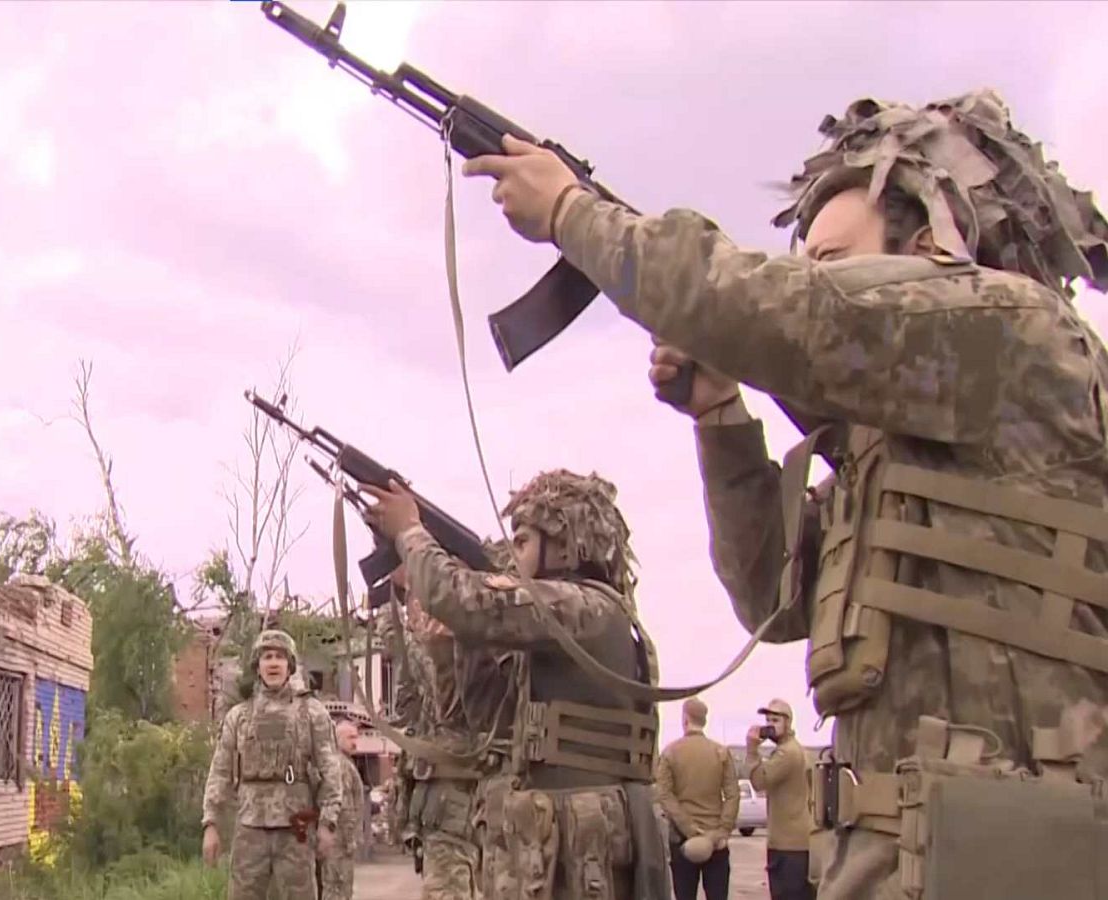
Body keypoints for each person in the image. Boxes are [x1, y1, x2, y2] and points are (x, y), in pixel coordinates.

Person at [461, 90, 1108, 898]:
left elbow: (775, 312)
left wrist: (571, 212)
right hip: (900, 855)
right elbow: (770, 595)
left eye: (833, 263)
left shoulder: (1017, 327)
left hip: (1008, 850)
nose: (814, 282)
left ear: (932, 246)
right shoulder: (899, 470)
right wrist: (721, 419)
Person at [364, 469, 670, 900]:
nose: (512, 555)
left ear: (565, 545)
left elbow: (466, 600)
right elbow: (485, 717)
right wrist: (461, 641)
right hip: (546, 845)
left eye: (523, 542)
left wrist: (412, 532)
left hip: (579, 850)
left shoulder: (585, 606)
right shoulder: (556, 628)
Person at [382, 557, 503, 900]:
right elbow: (400, 649)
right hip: (441, 808)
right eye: (414, 605)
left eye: (424, 603)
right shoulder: (425, 656)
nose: (418, 613)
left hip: (470, 802)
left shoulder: (477, 651)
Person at [201, 630, 345, 900]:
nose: (274, 663)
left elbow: (331, 770)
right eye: (267, 657)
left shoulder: (312, 713)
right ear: (258, 667)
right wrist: (211, 823)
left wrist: (328, 823)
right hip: (250, 829)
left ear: (290, 666)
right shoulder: (239, 717)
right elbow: (219, 772)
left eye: (280, 657)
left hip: (296, 829)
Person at [655, 698, 737, 900]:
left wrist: (688, 827)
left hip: (683, 840)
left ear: (685, 719)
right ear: (704, 721)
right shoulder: (721, 752)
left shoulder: (671, 752)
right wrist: (723, 830)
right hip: (716, 840)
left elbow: (664, 794)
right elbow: (732, 794)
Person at [745, 699, 812, 900]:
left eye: (775, 720)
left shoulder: (786, 753)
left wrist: (751, 750)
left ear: (788, 723)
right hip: (798, 841)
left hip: (787, 844)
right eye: (767, 720)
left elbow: (759, 781)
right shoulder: (797, 749)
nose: (769, 725)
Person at [318, 719, 367, 900]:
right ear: (338, 739)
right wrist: (350, 839)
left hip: (338, 839)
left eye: (356, 737)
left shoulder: (343, 762)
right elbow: (344, 807)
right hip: (339, 841)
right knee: (337, 887)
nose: (355, 742)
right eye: (350, 737)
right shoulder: (340, 766)